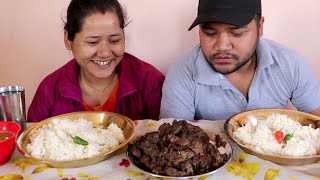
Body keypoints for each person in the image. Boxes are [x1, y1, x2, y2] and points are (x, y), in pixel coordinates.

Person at [160, 0, 320, 120]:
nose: (222, 46)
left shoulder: (290, 64)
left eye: (236, 33)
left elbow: (316, 118)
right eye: (210, 33)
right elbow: (174, 143)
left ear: (260, 27)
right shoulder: (182, 72)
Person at [28, 0, 165, 122]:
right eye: (93, 42)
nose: (105, 53)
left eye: (114, 40)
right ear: (68, 40)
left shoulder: (150, 82)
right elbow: (31, 143)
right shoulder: (49, 91)